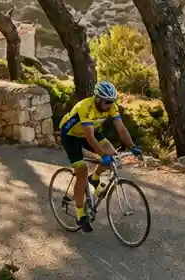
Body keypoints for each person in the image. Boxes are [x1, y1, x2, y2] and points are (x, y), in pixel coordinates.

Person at [59, 81, 141, 232]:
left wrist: (132, 146)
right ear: (97, 98)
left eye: (112, 101)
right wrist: (103, 156)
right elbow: (90, 138)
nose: (110, 105)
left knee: (113, 155)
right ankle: (80, 213)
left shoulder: (111, 106)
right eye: (107, 102)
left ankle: (95, 177)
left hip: (90, 130)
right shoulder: (85, 107)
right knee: (82, 171)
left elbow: (121, 128)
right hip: (71, 135)